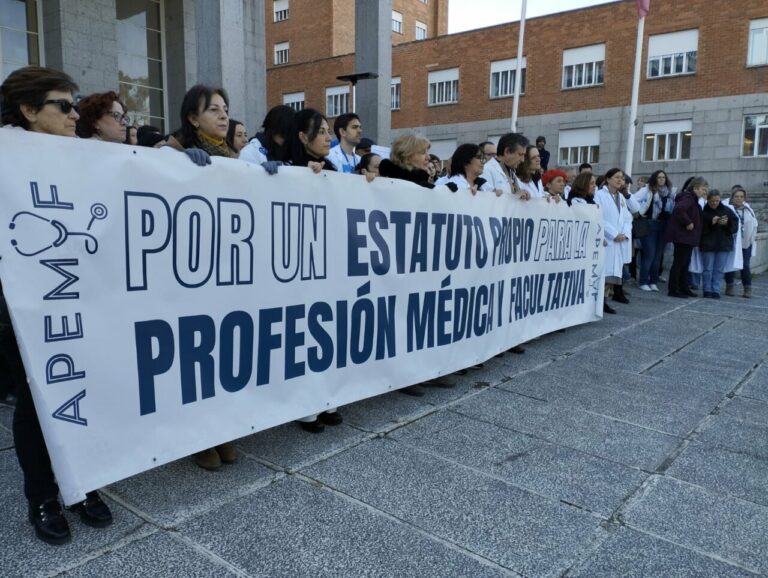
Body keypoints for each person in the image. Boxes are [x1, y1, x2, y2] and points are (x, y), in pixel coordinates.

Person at [1, 66, 113, 544]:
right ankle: (42, 495)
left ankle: (80, 480)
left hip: (78, 296)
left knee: (81, 386)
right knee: (37, 398)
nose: (74, 115)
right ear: (29, 110)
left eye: (76, 104)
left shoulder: (82, 156)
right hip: (20, 305)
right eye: (63, 106)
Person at [282, 108, 345, 428]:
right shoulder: (284, 168)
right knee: (301, 334)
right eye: (321, 132)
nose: (327, 138)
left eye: (328, 131)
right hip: (298, 267)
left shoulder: (333, 169)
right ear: (302, 137)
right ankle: (303, 405)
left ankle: (326, 397)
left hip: (329, 264)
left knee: (327, 332)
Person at [594, 168, 633, 312]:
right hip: (607, 239)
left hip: (619, 240)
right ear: (608, 179)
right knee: (602, 273)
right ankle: (598, 303)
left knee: (611, 275)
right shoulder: (599, 195)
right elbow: (598, 216)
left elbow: (627, 217)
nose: (620, 180)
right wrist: (614, 234)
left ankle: (603, 302)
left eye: (622, 178)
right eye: (617, 177)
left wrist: (625, 233)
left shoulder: (621, 197)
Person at [665, 177, 708, 298]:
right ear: (695, 188)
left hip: (687, 237)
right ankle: (673, 289)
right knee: (679, 263)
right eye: (703, 189)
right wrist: (688, 222)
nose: (704, 192)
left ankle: (683, 287)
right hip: (682, 236)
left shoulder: (692, 199)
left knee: (684, 263)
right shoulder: (688, 198)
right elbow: (679, 210)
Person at [632, 170, 674, 292]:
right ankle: (643, 281)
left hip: (663, 225)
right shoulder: (647, 189)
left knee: (658, 256)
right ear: (654, 178)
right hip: (649, 224)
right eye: (659, 177)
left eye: (663, 177)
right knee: (649, 254)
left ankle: (653, 281)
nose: (661, 179)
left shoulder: (668, 192)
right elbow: (633, 200)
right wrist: (639, 212)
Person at [700, 190, 738, 298]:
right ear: (708, 200)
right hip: (708, 244)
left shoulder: (727, 210)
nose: (715, 203)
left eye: (717, 201)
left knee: (719, 269)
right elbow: (699, 229)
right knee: (707, 269)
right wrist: (711, 223)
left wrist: (727, 223)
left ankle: (716, 290)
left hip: (723, 244)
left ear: (720, 199)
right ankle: (707, 289)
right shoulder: (703, 212)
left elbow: (735, 227)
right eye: (712, 201)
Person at [724, 185, 758, 297]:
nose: (739, 198)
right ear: (732, 197)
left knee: (745, 265)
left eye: (741, 196)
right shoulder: (728, 209)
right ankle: (729, 286)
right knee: (731, 264)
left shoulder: (748, 209)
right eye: (737, 196)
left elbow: (754, 224)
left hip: (746, 243)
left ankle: (747, 289)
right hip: (732, 243)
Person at [481, 132, 531, 199]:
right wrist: (515, 197)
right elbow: (485, 200)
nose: (523, 160)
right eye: (520, 154)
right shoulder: (486, 170)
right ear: (507, 151)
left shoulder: (511, 172)